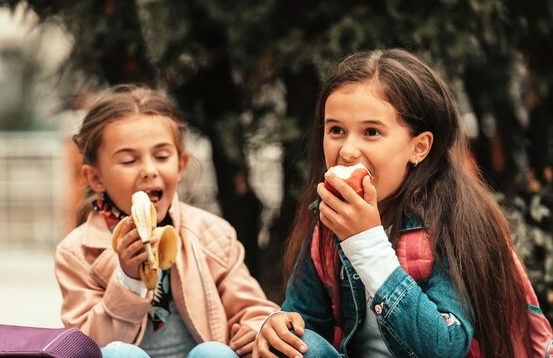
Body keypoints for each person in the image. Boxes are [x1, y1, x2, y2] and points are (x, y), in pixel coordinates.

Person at [252, 49, 535, 357]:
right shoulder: (328, 222)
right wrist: (277, 326)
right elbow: (305, 324)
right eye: (336, 130)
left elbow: (444, 349)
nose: (347, 150)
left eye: (371, 132)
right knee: (210, 353)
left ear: (419, 147)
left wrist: (365, 242)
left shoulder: (453, 226)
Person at [54, 84, 279, 358]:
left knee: (213, 353)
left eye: (161, 157)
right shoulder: (77, 253)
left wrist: (257, 327)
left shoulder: (212, 233)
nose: (149, 170)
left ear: (181, 165)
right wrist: (127, 277)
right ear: (95, 178)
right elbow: (86, 348)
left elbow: (253, 308)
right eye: (128, 160)